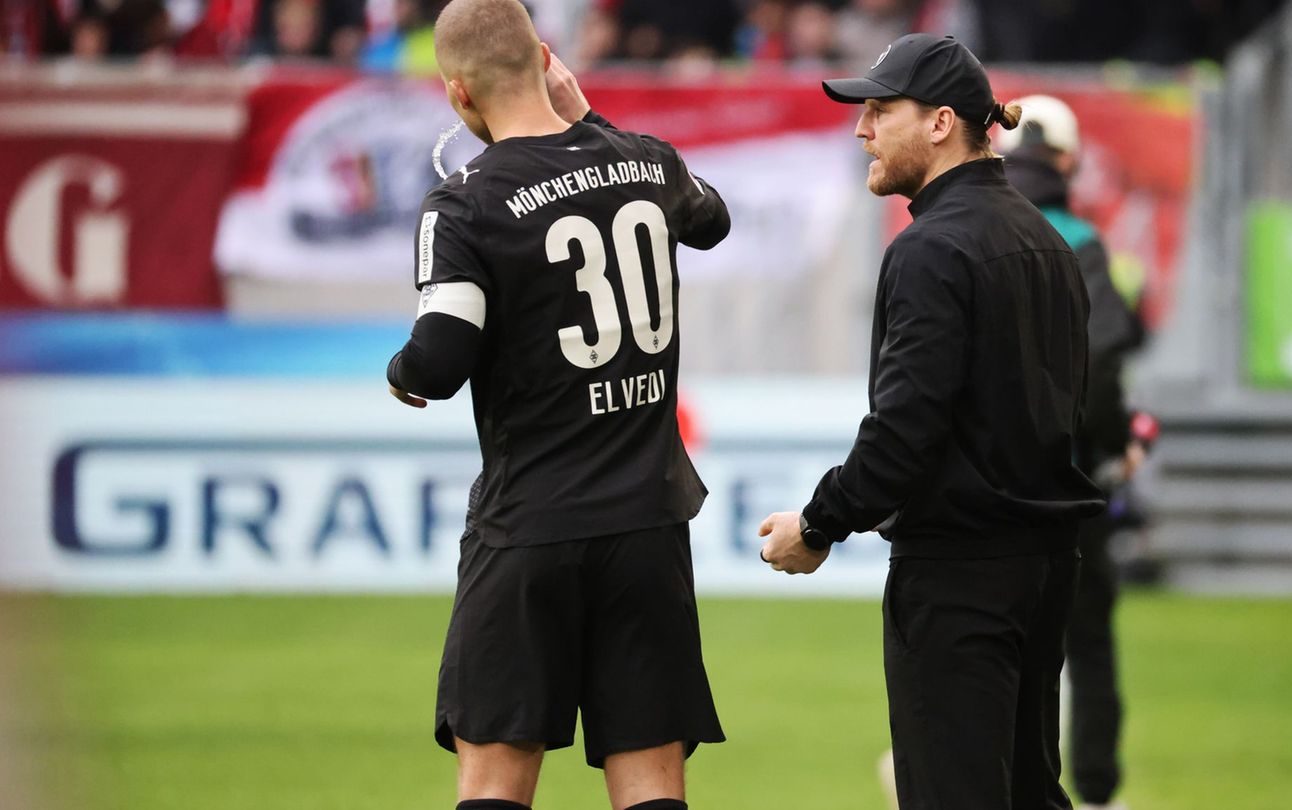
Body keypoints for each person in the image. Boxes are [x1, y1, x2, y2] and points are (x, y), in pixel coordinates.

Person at [384, 2, 731, 809]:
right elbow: (710, 219)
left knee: (497, 779)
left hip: (531, 527)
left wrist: (400, 373)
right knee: (652, 781)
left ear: (458, 96)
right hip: (647, 525)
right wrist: (592, 121)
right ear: (548, 59)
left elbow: (437, 360)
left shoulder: (465, 202)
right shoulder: (646, 162)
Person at [757, 33, 1106, 810]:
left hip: (961, 576)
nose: (863, 129)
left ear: (942, 122)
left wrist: (817, 524)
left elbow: (905, 429)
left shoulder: (931, 249)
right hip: (1045, 566)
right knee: (1028, 793)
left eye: (881, 110)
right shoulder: (1048, 243)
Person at [997, 94, 1148, 810]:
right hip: (1067, 482)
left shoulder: (964, 230)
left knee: (984, 644)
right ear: (1066, 159)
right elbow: (1104, 365)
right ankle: (1093, 793)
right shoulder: (1081, 242)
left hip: (977, 483)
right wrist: (1116, 444)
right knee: (1084, 643)